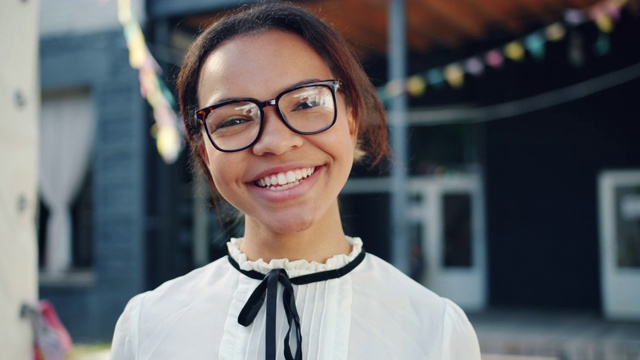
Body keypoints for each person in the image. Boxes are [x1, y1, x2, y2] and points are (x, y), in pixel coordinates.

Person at [110, 2, 481, 359]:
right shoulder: (148, 326)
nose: (276, 142)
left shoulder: (436, 331)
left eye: (305, 103)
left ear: (351, 121)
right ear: (205, 152)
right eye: (234, 120)